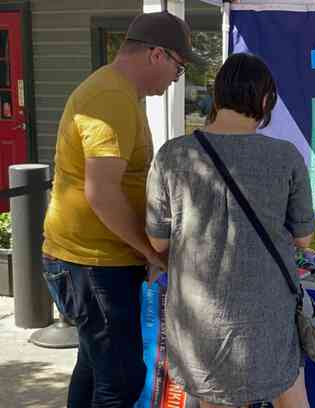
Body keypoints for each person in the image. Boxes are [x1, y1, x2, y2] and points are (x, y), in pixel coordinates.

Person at [40, 11, 203, 408]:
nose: (174, 81)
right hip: (93, 265)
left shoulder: (119, 93)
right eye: (178, 69)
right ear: (156, 55)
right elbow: (102, 192)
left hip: (92, 261)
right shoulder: (109, 97)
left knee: (96, 368)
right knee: (123, 380)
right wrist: (149, 251)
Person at [145, 53, 315, 408]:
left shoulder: (172, 155)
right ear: (266, 100)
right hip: (269, 310)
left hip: (199, 312)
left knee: (212, 397)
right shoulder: (286, 157)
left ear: (217, 96)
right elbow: (304, 238)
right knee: (290, 391)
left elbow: (158, 239)